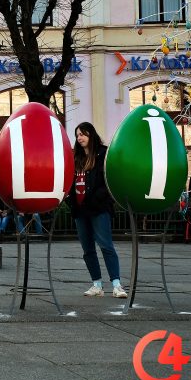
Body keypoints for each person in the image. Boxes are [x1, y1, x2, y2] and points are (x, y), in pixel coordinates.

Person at [67, 122, 127, 298]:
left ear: (91, 135)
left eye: (83, 134)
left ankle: (116, 285)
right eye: (77, 134)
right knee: (88, 250)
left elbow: (109, 180)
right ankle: (97, 285)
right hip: (80, 211)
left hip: (99, 209)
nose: (80, 137)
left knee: (106, 246)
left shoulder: (103, 154)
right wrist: (71, 202)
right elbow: (69, 182)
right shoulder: (75, 157)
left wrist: (97, 199)